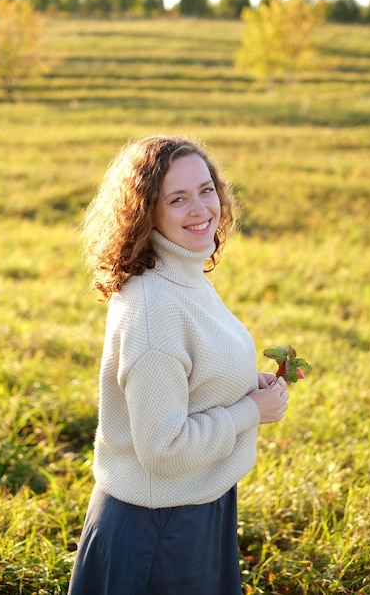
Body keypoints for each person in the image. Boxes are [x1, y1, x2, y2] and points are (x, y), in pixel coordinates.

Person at [68, 134, 289, 595]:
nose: (201, 208)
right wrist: (251, 412)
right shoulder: (153, 308)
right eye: (178, 198)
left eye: (206, 190)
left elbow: (190, 370)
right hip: (158, 530)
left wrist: (245, 384)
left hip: (194, 507)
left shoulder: (181, 270)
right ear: (147, 211)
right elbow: (163, 449)